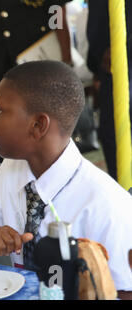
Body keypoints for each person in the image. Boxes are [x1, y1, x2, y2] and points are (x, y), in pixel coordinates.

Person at [0, 61, 132, 299]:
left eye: (0, 111)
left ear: (38, 125)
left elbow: (125, 290)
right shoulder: (13, 169)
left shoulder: (106, 206)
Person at [0, 0, 73, 162]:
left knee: (35, 118)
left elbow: (58, 18)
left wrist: (66, 61)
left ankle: (36, 165)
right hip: (0, 59)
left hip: (35, 58)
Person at [86, 0, 132, 181]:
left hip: (119, 63)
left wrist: (97, 62)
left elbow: (97, 28)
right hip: (116, 62)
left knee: (116, 135)